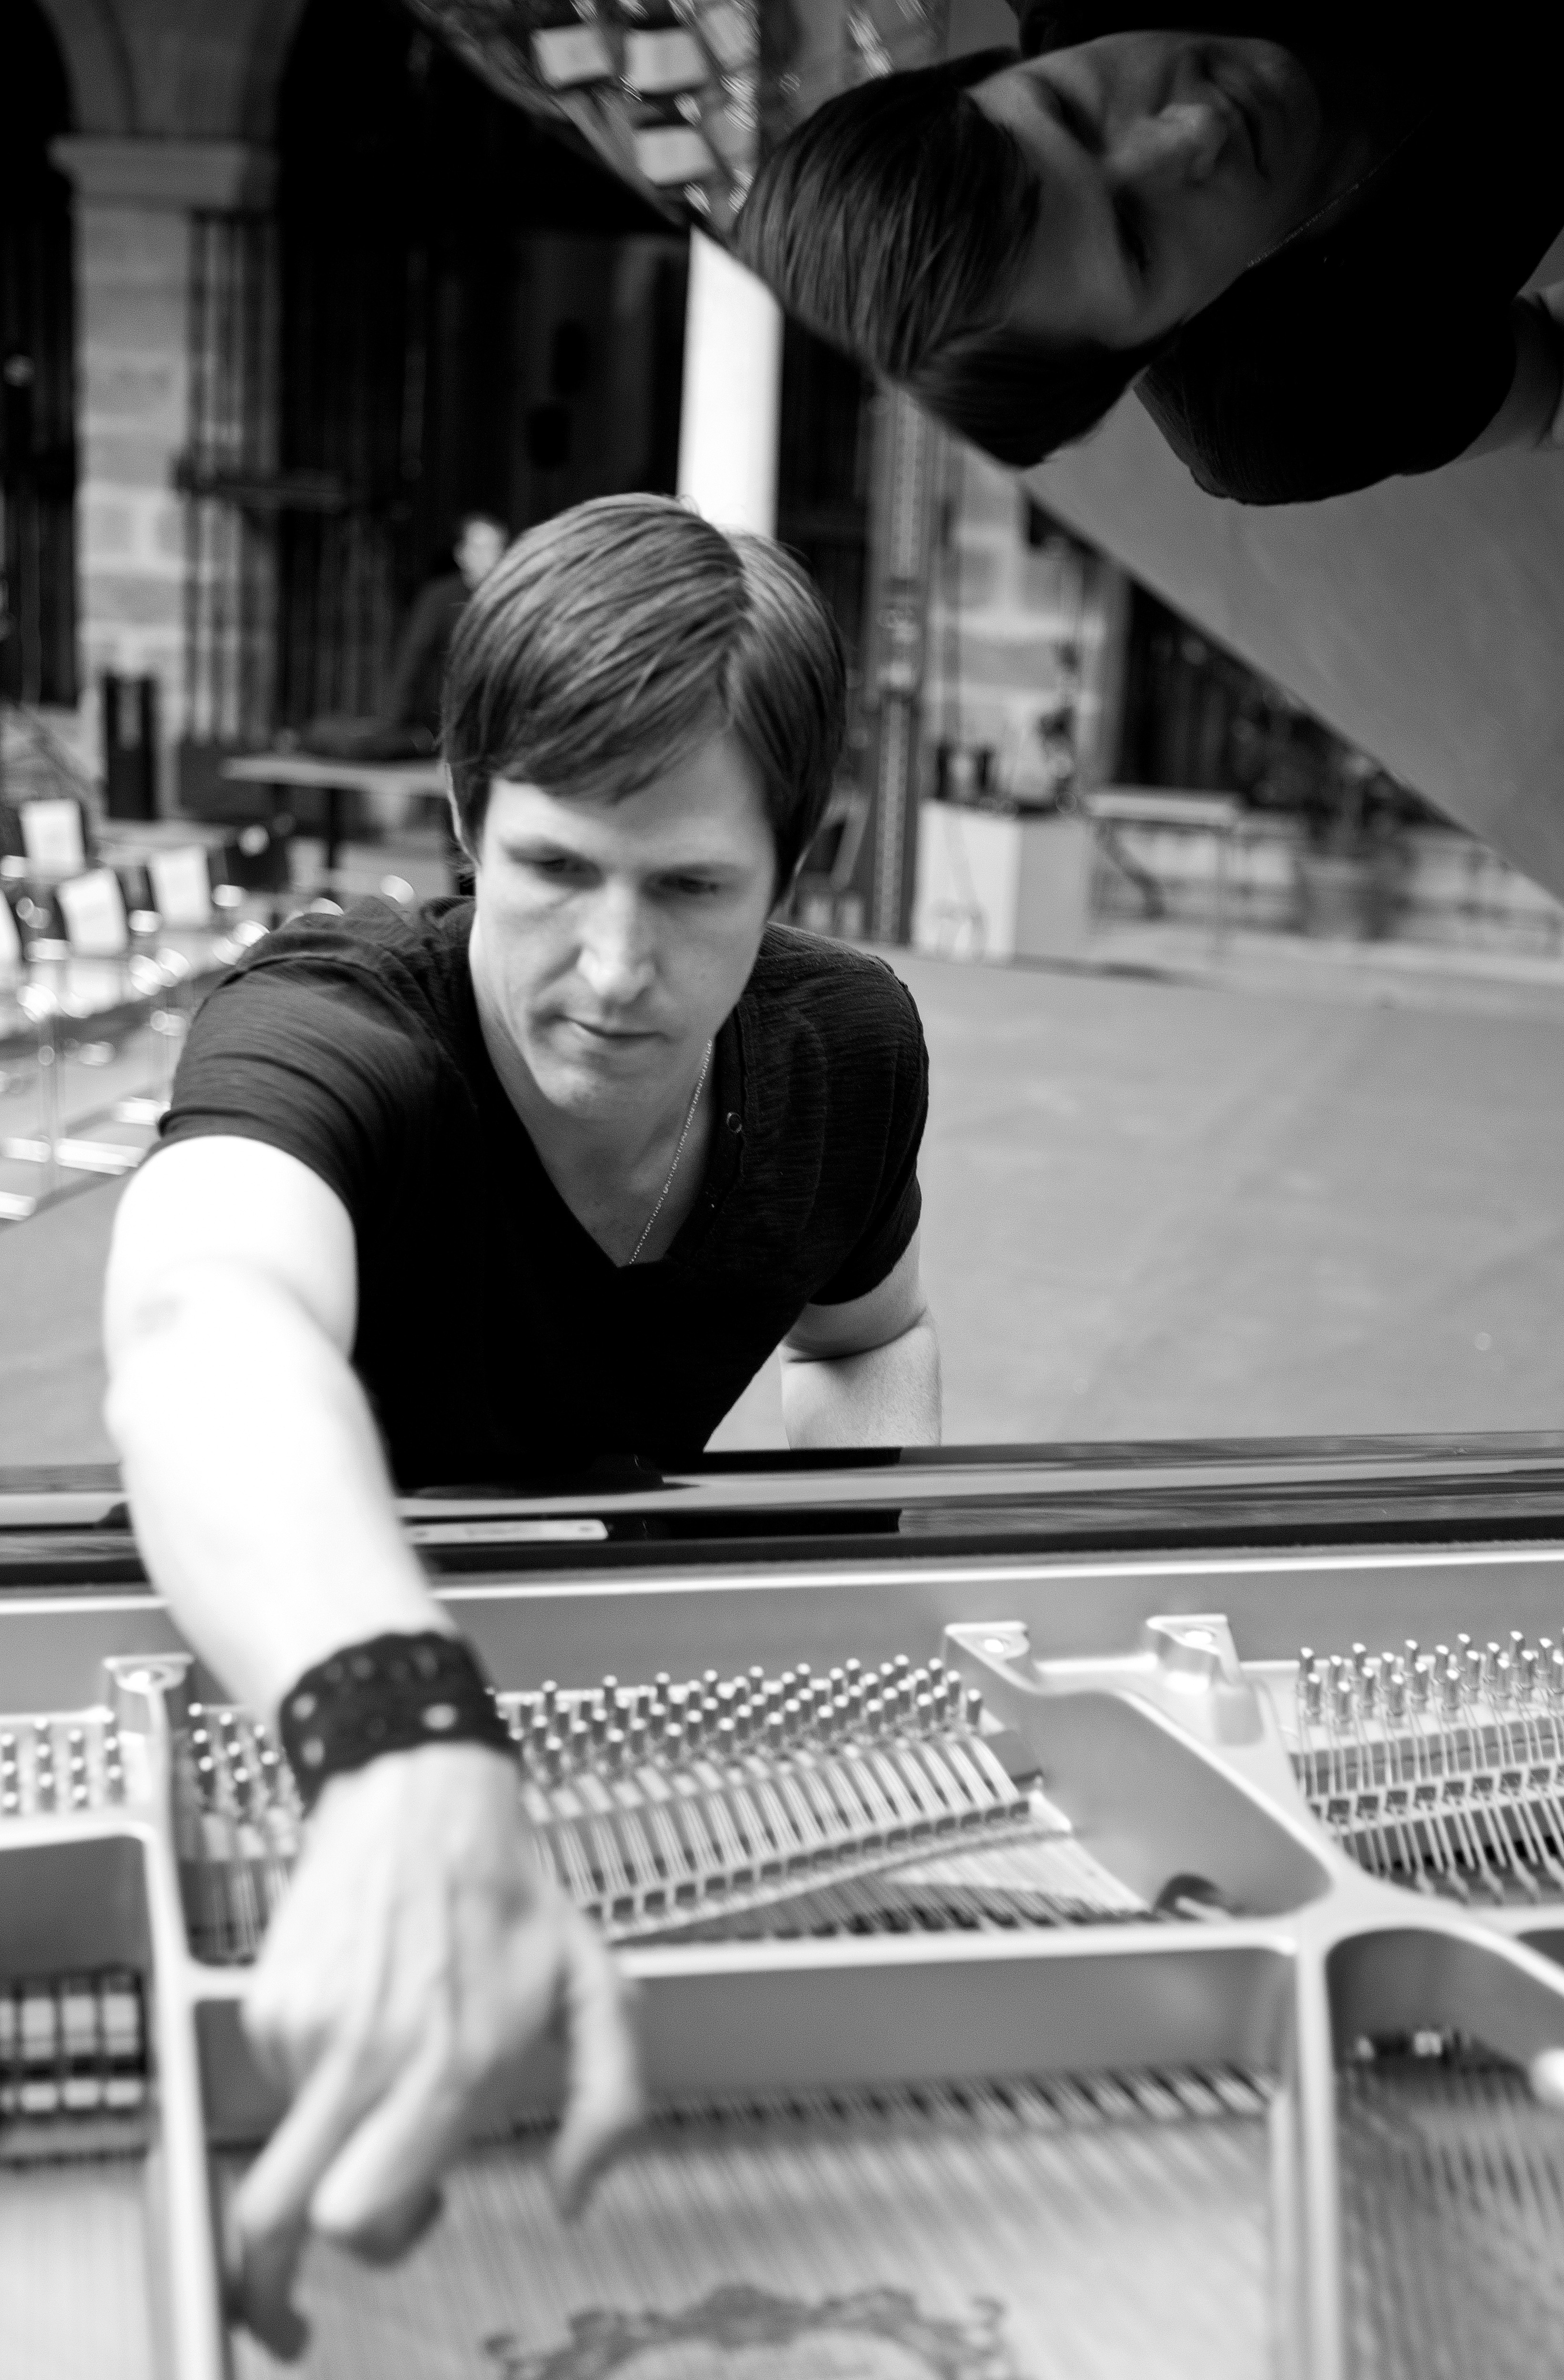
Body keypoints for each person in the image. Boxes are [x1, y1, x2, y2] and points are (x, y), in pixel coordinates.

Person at [101, 494, 941, 2358]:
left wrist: (784, 1681)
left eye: (693, 888)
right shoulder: (336, 1036)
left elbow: (865, 1342)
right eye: (557, 869)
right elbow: (198, 1315)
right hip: (315, 1730)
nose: (615, 971)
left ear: (803, 862)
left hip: (648, 1788)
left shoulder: (846, 1050)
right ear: (470, 820)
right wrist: (397, 1738)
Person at [734, 8, 1564, 504]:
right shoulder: (1288, 405)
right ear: (1145, 349)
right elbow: (1551, 382)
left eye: (1069, 107)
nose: (1193, 131)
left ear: (985, 68)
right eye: (1135, 239)